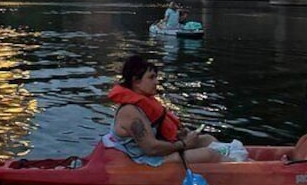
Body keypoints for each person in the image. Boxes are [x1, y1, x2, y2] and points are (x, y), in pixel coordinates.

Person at [103, 55, 247, 165]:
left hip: (153, 152)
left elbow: (155, 133)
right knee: (208, 154)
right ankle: (242, 167)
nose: (156, 82)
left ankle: (233, 158)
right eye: (151, 78)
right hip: (144, 160)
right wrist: (184, 144)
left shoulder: (143, 103)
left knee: (207, 140)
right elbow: (151, 148)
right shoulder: (130, 112)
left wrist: (179, 135)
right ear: (136, 81)